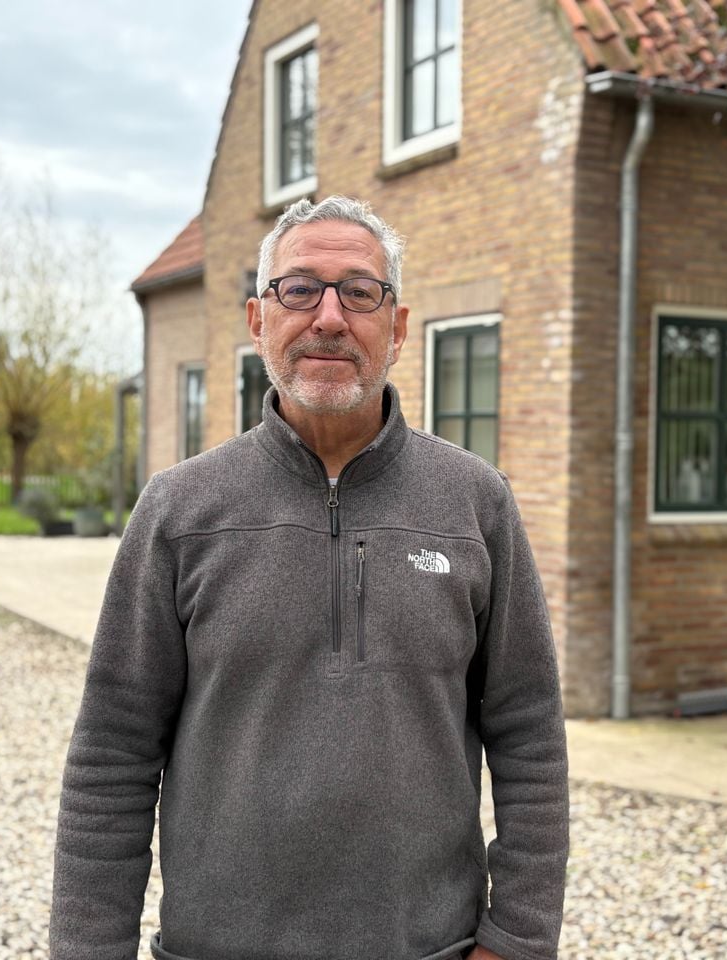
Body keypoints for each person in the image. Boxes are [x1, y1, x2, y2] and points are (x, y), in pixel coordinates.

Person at [50, 196, 570, 960]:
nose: (329, 316)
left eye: (360, 291)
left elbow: (528, 734)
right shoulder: (180, 510)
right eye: (300, 289)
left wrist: (519, 938)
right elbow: (112, 753)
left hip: (428, 948)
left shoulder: (474, 503)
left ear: (396, 329)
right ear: (259, 319)